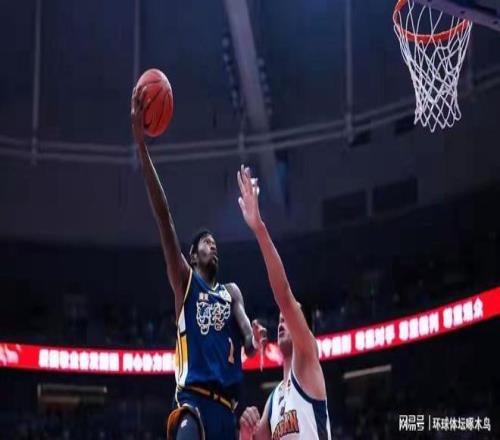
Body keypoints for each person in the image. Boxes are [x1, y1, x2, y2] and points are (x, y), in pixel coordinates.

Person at [131, 88, 267, 440]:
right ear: (192, 255)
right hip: (193, 404)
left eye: (215, 242)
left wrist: (254, 339)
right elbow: (165, 219)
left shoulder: (231, 292)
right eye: (206, 243)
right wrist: (142, 148)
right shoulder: (186, 281)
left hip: (227, 413)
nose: (213, 245)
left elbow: (247, 336)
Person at [236, 165, 331, 440]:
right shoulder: (274, 400)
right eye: (279, 320)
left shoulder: (308, 356)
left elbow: (285, 297)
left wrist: (259, 228)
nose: (281, 322)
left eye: (287, 319)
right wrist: (245, 433)